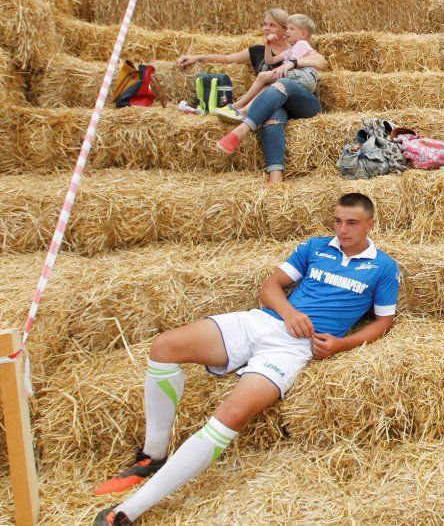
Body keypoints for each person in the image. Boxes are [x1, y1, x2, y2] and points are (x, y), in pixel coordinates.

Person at [92, 193, 400, 525]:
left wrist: (339, 345)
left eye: (352, 223)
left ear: (370, 224)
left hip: (293, 350)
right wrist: (289, 312)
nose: (342, 230)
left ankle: (127, 511)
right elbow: (270, 287)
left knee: (232, 414)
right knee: (164, 346)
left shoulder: (383, 268)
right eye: (337, 221)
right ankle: (153, 455)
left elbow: (384, 322)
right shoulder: (315, 247)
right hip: (261, 322)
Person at [176, 9, 326, 185]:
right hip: (271, 104)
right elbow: (226, 58)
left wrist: (294, 63)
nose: (266, 28)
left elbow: (322, 62)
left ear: (285, 29)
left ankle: (241, 127)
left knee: (282, 83)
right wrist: (196, 57)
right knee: (272, 116)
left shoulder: (299, 48)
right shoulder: (260, 51)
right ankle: (275, 178)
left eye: (272, 25)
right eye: (264, 24)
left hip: (302, 102)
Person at [212, 13, 321, 120]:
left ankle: (236, 106)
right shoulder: (290, 49)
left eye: (291, 29)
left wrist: (275, 72)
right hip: (296, 78)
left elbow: (292, 64)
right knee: (267, 86)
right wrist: (268, 43)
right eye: (287, 28)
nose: (287, 31)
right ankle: (243, 111)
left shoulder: (302, 44)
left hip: (304, 77)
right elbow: (270, 61)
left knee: (263, 76)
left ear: (303, 34)